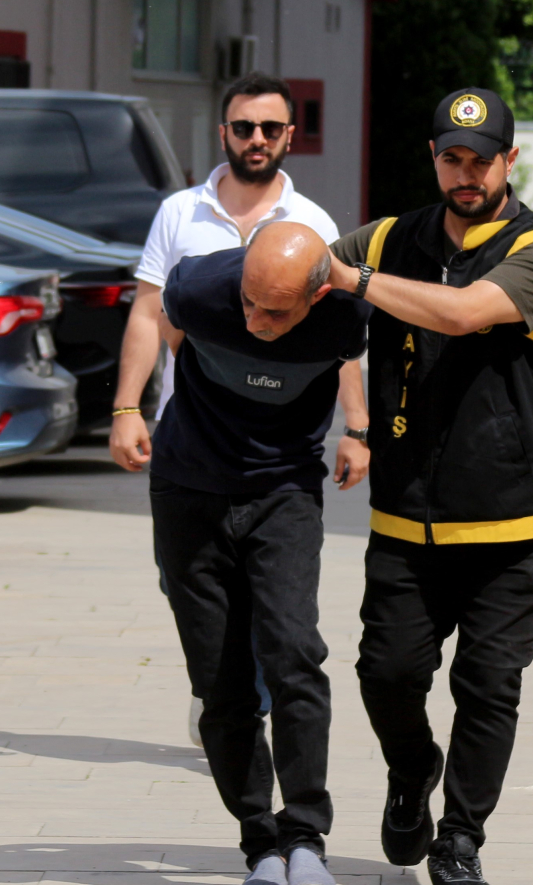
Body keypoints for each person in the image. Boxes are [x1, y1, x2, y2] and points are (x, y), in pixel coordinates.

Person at [329, 87, 533, 885]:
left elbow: (466, 312)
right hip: (409, 513)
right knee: (386, 673)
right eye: (453, 158)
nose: (466, 174)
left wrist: (351, 279)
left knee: (488, 682)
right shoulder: (389, 239)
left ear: (511, 160)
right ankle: (412, 769)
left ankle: (460, 843)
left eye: (482, 160)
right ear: (434, 159)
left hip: (521, 517)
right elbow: (305, 272)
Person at [109, 71, 361, 742]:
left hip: (277, 448)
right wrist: (127, 408)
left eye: (270, 128)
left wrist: (357, 428)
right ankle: (222, 680)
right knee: (179, 579)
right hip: (189, 438)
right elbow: (148, 312)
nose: (257, 139)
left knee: (266, 586)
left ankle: (238, 699)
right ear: (224, 132)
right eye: (244, 127)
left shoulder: (313, 225)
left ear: (289, 136)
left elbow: (337, 341)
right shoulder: (179, 213)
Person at [146, 222, 371, 885]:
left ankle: (305, 838)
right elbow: (164, 324)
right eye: (248, 303)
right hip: (188, 489)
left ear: (315, 296)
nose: (255, 321)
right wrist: (131, 406)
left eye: (275, 312)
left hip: (285, 492)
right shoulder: (197, 287)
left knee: (293, 651)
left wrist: (358, 430)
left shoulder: (345, 315)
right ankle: (259, 844)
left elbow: (347, 360)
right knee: (220, 682)